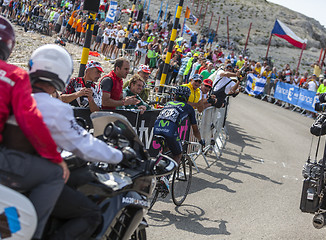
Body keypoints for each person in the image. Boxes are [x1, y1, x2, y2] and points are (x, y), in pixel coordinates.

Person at [28, 44, 136, 240]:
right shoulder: (55, 108)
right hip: (35, 178)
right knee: (91, 214)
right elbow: (84, 144)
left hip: (9, 172)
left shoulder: (15, 97)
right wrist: (120, 155)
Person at [0, 17, 69, 240]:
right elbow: (29, 119)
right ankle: (29, 234)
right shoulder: (14, 75)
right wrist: (55, 158)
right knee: (54, 175)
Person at [153, 86, 204, 164]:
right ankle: (168, 175)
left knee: (166, 150)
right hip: (170, 132)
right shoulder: (189, 108)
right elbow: (195, 129)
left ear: (174, 96)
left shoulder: (168, 103)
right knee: (178, 154)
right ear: (187, 98)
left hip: (156, 130)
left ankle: (161, 170)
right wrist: (200, 140)